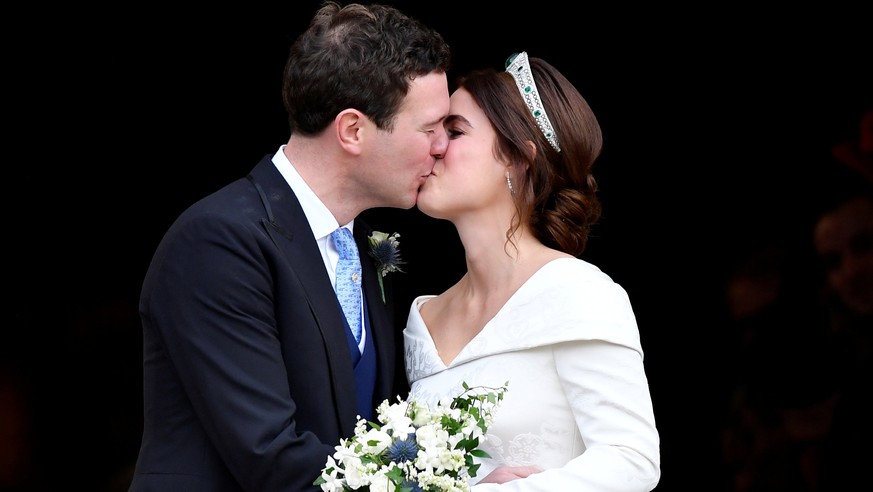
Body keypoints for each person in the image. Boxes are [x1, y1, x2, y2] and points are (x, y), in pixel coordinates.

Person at [128, 2, 451, 491]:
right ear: (353, 130)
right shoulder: (218, 242)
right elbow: (270, 456)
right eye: (429, 128)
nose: (442, 146)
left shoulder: (365, 247)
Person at [403, 52, 661, 490]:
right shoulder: (424, 318)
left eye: (455, 130)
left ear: (519, 158)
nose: (435, 146)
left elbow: (631, 459)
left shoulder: (579, 293)